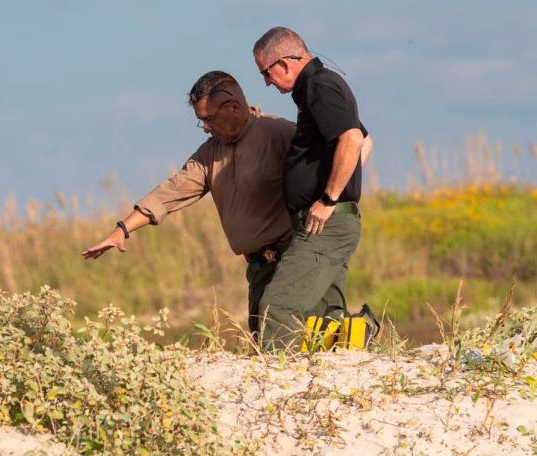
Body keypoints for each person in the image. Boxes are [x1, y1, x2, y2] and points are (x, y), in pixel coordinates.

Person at [82, 70, 373, 338]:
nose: (205, 128)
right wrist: (122, 229)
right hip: (259, 267)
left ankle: (366, 336)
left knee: (316, 333)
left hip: (296, 256)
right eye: (202, 121)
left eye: (209, 119)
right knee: (268, 338)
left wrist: (330, 197)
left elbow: (354, 145)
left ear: (233, 107)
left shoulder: (279, 133)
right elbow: (170, 192)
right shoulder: (209, 153)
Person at [252, 27, 369, 349]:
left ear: (285, 63)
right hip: (328, 221)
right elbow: (364, 139)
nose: (266, 82)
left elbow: (353, 139)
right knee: (325, 318)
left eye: (266, 72)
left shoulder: (320, 85)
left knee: (278, 306)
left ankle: (275, 376)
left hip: (325, 223)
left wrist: (329, 198)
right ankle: (340, 361)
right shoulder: (316, 88)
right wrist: (340, 179)